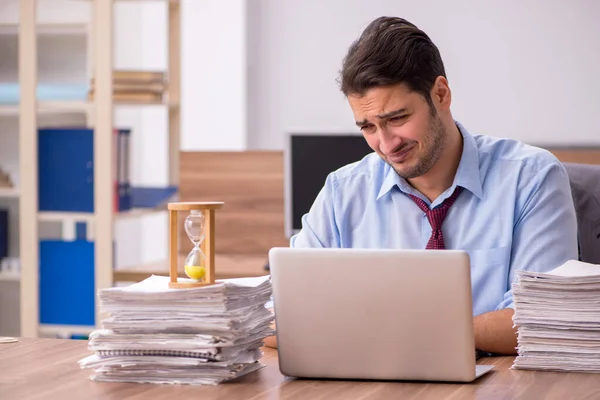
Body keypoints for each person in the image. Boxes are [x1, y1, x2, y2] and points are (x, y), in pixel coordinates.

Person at [266, 16, 579, 354]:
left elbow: (544, 320)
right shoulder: (344, 192)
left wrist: (402, 331)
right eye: (368, 127)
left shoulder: (530, 179)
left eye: (396, 118)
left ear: (441, 94)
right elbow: (275, 316)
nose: (386, 144)